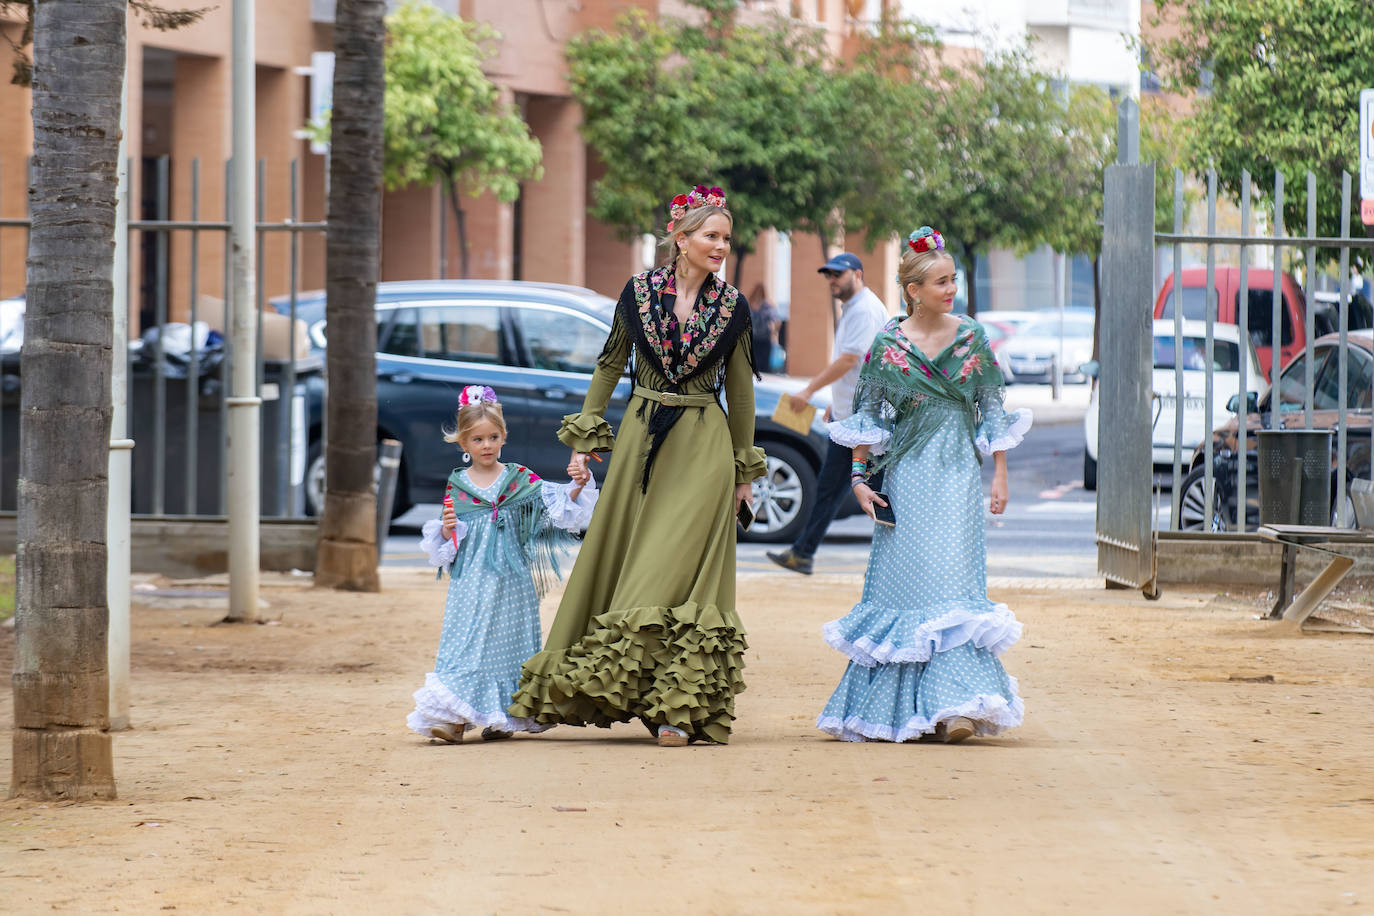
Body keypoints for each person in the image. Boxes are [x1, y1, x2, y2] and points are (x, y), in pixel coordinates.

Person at [507, 184, 766, 748]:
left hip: (704, 446)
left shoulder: (733, 307)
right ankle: (563, 694)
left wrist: (745, 472)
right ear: (680, 238)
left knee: (672, 570)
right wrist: (583, 438)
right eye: (711, 236)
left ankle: (675, 709)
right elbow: (607, 366)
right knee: (616, 561)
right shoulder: (639, 292)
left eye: (726, 237)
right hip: (639, 440)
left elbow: (741, 394)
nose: (721, 246)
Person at [817, 227, 1032, 743]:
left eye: (952, 279)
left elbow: (993, 409)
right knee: (908, 590)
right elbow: (866, 415)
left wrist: (999, 473)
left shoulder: (972, 338)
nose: (950, 289)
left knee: (954, 589)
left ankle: (955, 707)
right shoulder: (888, 343)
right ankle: (904, 708)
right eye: (940, 281)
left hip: (959, 477)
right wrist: (858, 479)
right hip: (907, 479)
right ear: (913, 289)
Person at [407, 385, 598, 744]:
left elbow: (553, 503)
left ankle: (504, 716)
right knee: (466, 643)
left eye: (493, 437)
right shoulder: (457, 485)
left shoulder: (518, 478)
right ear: (463, 443)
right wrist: (449, 531)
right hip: (471, 582)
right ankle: (453, 719)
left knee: (509, 645)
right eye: (478, 439)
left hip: (512, 580)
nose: (487, 445)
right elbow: (449, 545)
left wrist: (576, 485)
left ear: (503, 437)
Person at [766, 251, 887, 575]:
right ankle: (802, 553)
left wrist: (808, 391)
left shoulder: (864, 309)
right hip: (850, 417)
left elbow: (849, 359)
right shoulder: (855, 308)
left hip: (865, 420)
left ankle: (897, 556)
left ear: (857, 274)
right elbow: (859, 365)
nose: (832, 280)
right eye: (829, 275)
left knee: (877, 492)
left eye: (838, 274)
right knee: (831, 488)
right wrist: (837, 402)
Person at [748, 282, 779, 373]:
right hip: (752, 338)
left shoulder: (767, 306)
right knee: (753, 362)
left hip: (764, 338)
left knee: (764, 364)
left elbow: (775, 320)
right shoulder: (749, 305)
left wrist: (774, 333)